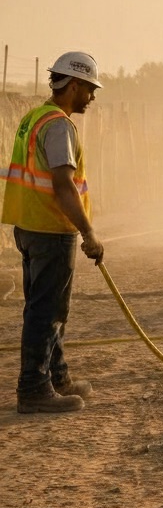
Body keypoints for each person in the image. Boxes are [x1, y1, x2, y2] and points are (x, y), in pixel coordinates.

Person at [0, 51, 105, 414]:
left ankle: (57, 377)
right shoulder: (59, 125)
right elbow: (63, 184)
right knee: (47, 310)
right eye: (89, 89)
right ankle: (34, 388)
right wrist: (88, 232)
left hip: (29, 225)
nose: (91, 97)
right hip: (50, 228)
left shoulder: (34, 117)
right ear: (73, 85)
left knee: (48, 306)